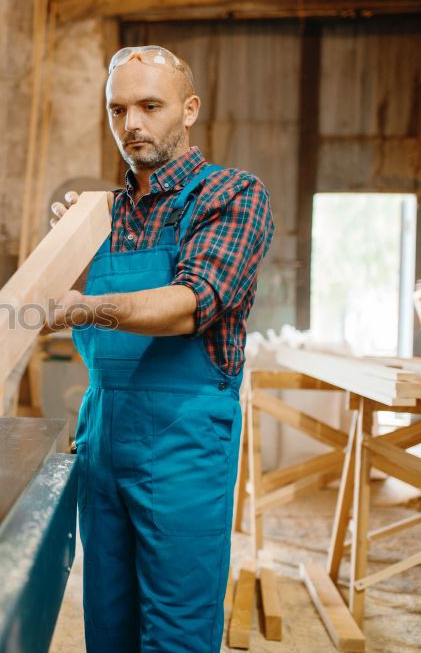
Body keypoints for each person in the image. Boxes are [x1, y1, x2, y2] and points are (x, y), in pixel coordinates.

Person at [48, 46, 275, 651]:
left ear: (189, 109)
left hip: (183, 442)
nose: (132, 125)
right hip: (102, 436)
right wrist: (64, 247)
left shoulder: (231, 195)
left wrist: (85, 305)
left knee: (175, 627)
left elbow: (192, 303)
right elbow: (55, 302)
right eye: (118, 109)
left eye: (150, 106)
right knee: (108, 618)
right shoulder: (101, 216)